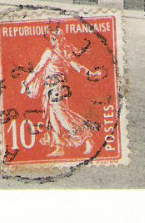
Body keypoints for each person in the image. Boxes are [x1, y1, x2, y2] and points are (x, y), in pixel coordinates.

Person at [21, 25, 102, 157]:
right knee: (53, 119)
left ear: (56, 40)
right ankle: (59, 148)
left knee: (63, 117)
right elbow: (78, 67)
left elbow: (37, 70)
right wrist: (91, 74)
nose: (51, 41)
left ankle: (87, 138)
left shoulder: (52, 53)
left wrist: (25, 83)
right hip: (52, 89)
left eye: (52, 39)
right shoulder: (63, 53)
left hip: (56, 89)